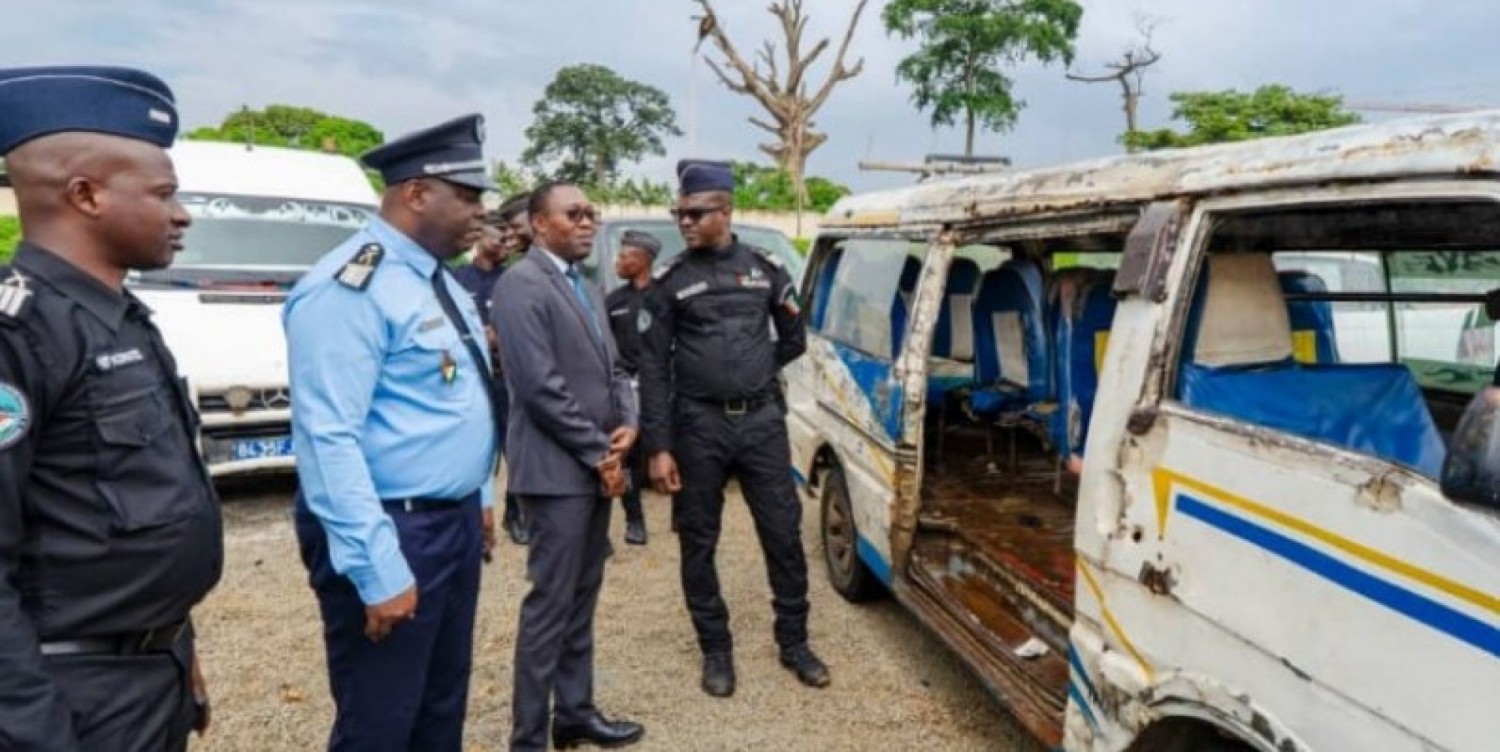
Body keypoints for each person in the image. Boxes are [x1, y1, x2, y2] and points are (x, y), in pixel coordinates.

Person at [0, 66, 222, 751]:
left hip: (148, 672)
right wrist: (36, 733)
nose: (181, 214)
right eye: (163, 194)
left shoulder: (119, 317)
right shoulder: (19, 333)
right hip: (72, 695)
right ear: (86, 195)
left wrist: (177, 647)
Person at [283, 114, 499, 752]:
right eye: (468, 196)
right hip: (393, 527)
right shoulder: (351, 287)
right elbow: (328, 440)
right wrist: (377, 569)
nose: (481, 213)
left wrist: (480, 495)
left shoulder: (436, 278)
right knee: (381, 720)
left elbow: (456, 395)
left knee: (440, 706)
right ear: (416, 193)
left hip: (451, 521)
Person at [638, 159, 828, 698]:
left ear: (725, 211)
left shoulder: (766, 269)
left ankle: (794, 643)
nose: (684, 222)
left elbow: (794, 337)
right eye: (679, 213)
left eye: (695, 213)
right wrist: (659, 447)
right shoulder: (670, 280)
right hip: (698, 426)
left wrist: (752, 370)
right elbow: (652, 367)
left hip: (762, 423)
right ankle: (716, 650)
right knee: (698, 540)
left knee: (783, 534)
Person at [491, 181, 644, 751]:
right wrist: (601, 453)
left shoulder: (586, 284)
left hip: (594, 466)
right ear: (538, 224)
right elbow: (540, 389)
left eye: (590, 213)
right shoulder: (520, 286)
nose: (586, 222)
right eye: (573, 214)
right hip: (557, 475)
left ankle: (575, 714)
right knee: (549, 609)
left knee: (582, 598)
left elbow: (615, 368)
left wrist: (629, 422)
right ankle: (528, 738)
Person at [604, 230, 661, 545]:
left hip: (663, 385)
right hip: (627, 387)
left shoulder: (665, 296)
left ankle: (682, 515)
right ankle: (634, 519)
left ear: (643, 260)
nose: (618, 261)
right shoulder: (614, 301)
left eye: (625, 256)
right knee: (625, 454)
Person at [491, 192, 533, 544]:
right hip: (478, 379)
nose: (506, 237)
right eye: (501, 230)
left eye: (511, 228)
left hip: (510, 379)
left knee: (515, 448)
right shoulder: (460, 278)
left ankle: (515, 513)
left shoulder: (516, 276)